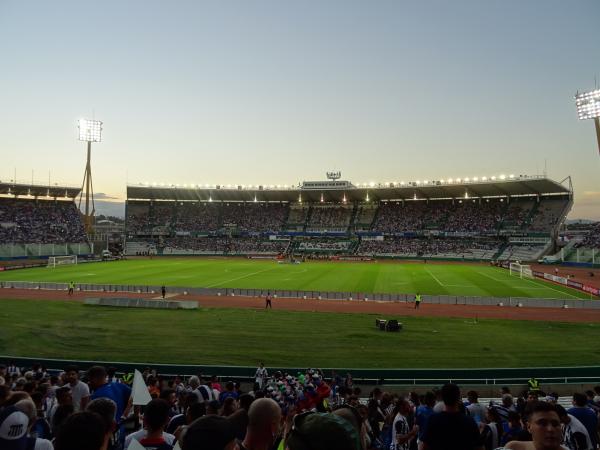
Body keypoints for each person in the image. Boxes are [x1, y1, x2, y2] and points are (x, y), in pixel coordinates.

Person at [420, 383, 482, 450]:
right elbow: (479, 447)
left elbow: (424, 446)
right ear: (458, 398)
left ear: (442, 397)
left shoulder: (432, 420)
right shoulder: (469, 422)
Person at [502, 401, 568, 450]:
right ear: (529, 427)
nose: (550, 429)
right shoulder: (513, 447)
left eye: (555, 424)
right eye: (543, 423)